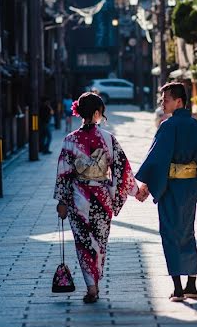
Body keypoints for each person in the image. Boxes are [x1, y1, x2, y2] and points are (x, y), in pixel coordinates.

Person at [135, 82, 197, 302]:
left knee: (170, 234)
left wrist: (146, 185)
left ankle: (178, 288)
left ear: (178, 101)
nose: (162, 103)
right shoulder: (196, 126)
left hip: (171, 188)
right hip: (191, 187)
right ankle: (191, 285)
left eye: (165, 99)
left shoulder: (168, 126)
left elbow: (157, 159)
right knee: (188, 233)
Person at [54, 92, 138, 304]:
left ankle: (91, 287)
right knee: (99, 244)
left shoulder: (69, 140)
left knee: (83, 244)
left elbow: (63, 173)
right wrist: (136, 191)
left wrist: (62, 202)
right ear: (97, 113)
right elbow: (122, 169)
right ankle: (95, 284)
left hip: (77, 199)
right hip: (101, 199)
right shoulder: (108, 139)